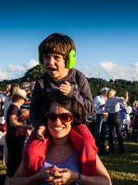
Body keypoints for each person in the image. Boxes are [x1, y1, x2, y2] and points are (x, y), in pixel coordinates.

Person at [23, 33, 95, 176]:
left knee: (88, 145)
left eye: (56, 57)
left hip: (74, 125)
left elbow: (90, 109)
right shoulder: (41, 82)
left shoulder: (79, 78)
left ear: (69, 60)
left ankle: (87, 179)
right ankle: (32, 179)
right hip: (49, 126)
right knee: (30, 151)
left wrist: (73, 94)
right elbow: (34, 110)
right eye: (46, 57)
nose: (50, 62)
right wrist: (40, 125)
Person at [7, 92, 111, 185]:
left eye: (65, 117)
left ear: (73, 119)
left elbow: (107, 182)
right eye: (51, 116)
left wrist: (76, 177)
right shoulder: (37, 148)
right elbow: (12, 182)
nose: (57, 122)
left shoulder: (82, 147)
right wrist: (37, 177)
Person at [6, 89, 33, 177]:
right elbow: (13, 122)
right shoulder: (14, 107)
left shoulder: (15, 107)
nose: (24, 102)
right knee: (14, 161)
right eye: (24, 100)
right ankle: (11, 179)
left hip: (16, 137)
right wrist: (27, 126)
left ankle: (11, 179)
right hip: (14, 138)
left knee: (15, 160)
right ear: (20, 99)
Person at [105, 89, 128, 154]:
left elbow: (106, 109)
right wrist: (126, 95)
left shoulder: (107, 101)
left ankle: (111, 149)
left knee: (111, 134)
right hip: (116, 116)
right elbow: (125, 102)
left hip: (110, 116)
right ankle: (121, 149)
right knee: (119, 133)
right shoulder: (116, 99)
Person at [93, 87, 109, 153]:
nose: (107, 93)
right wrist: (100, 106)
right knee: (98, 131)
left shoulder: (108, 99)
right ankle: (97, 145)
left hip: (106, 115)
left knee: (104, 131)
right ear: (103, 91)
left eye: (108, 92)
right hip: (100, 115)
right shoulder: (98, 98)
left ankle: (102, 145)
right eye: (106, 91)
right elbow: (93, 106)